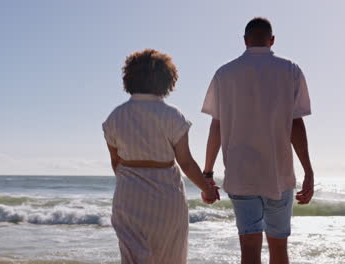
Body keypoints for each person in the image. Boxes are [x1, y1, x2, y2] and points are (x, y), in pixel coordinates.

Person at [201, 18, 314, 264]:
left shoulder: (224, 73)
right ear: (272, 40)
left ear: (245, 41)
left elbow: (216, 127)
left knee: (249, 249)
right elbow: (296, 124)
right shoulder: (290, 70)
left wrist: (207, 174)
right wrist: (308, 170)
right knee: (279, 248)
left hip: (241, 174)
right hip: (279, 174)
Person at [103, 49, 219, 264]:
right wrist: (207, 189)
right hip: (167, 196)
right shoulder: (172, 115)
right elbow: (185, 162)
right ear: (167, 80)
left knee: (132, 257)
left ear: (129, 78)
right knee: (169, 255)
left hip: (128, 196)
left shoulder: (116, 116)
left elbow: (115, 162)